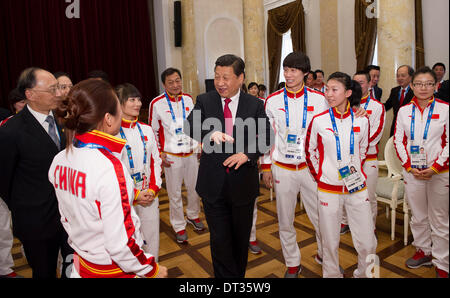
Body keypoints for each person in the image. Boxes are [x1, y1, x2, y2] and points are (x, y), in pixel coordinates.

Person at [48, 78, 168, 278]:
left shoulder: (59, 160)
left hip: (83, 264)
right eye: (118, 109)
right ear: (109, 119)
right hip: (113, 270)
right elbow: (120, 244)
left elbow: (66, 218)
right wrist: (150, 269)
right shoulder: (108, 167)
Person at [184, 54, 273, 278]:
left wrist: (247, 154)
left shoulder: (255, 104)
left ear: (241, 78)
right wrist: (210, 133)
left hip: (242, 185)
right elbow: (189, 127)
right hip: (212, 185)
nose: (220, 83)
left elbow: (267, 136)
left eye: (226, 77)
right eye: (216, 77)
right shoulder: (205, 101)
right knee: (220, 241)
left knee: (240, 240)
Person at [0, 67, 73, 278]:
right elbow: (4, 181)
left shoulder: (64, 121)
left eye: (58, 88)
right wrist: (27, 206)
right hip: (36, 223)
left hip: (69, 216)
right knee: (44, 272)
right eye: (52, 90)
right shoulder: (11, 131)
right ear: (29, 95)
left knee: (72, 269)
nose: (58, 94)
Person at [262, 52, 329, 278]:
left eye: (293, 70)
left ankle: (325, 256)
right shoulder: (273, 100)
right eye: (286, 70)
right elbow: (267, 136)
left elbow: (327, 134)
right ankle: (292, 263)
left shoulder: (319, 100)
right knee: (285, 219)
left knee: (321, 217)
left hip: (311, 169)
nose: (288, 75)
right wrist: (265, 166)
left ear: (305, 74)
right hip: (283, 168)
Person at [305, 72, 376, 278]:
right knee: (329, 241)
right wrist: (321, 177)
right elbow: (310, 152)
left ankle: (366, 274)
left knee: (367, 241)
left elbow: (362, 151)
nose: (328, 94)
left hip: (357, 188)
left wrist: (354, 170)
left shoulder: (362, 120)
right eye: (327, 89)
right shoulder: (319, 120)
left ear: (348, 93)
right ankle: (332, 274)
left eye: (334, 90)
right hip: (328, 190)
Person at [393, 67, 449, 278]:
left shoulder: (446, 109)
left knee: (440, 219)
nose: (423, 88)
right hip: (412, 171)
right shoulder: (404, 111)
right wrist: (409, 166)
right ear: (412, 86)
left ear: (435, 86)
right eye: (419, 84)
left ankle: (443, 263)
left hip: (440, 172)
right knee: (418, 216)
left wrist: (435, 167)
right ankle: (423, 250)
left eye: (428, 84)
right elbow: (398, 140)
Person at [149, 68, 204, 244]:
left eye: (178, 80)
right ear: (164, 84)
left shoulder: (188, 99)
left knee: (195, 188)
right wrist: (159, 154)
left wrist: (199, 144)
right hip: (171, 155)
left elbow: (196, 124)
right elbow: (152, 132)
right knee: (174, 193)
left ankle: (193, 215)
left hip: (191, 153)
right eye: (171, 82)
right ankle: (179, 225)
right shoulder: (156, 103)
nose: (175, 85)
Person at [115, 83, 162, 261]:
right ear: (118, 103)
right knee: (128, 241)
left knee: (151, 239)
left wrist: (153, 189)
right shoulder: (112, 133)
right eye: (131, 100)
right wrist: (134, 194)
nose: (138, 104)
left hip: (149, 194)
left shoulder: (147, 129)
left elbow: (155, 161)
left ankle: (153, 269)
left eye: (139, 99)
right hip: (124, 198)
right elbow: (113, 169)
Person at [340, 71, 386, 235]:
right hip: (347, 159)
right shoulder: (344, 105)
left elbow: (376, 134)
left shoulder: (377, 106)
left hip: (368, 159)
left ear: (370, 83)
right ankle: (345, 222)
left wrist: (356, 149)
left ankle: (369, 226)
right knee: (347, 191)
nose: (358, 85)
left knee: (368, 196)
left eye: (362, 82)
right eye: (355, 82)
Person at [384, 65, 415, 137]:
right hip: (396, 127)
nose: (400, 78)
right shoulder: (394, 91)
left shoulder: (416, 91)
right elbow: (387, 106)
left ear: (411, 77)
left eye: (403, 75)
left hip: (411, 127)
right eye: (398, 76)